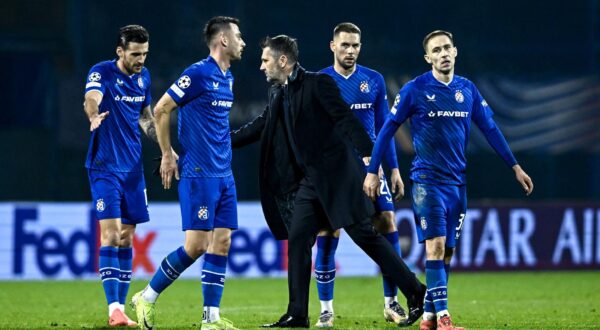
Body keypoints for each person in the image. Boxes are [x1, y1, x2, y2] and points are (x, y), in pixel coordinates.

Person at [231, 35, 426, 328]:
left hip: (339, 177)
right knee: (298, 239)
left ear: (282, 61)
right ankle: (297, 314)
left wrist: (370, 163)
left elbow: (346, 120)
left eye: (265, 60)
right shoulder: (278, 92)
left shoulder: (317, 84)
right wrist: (221, 143)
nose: (261, 66)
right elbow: (261, 125)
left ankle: (416, 292)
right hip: (311, 182)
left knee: (366, 237)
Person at [363, 30, 534, 330]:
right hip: (427, 183)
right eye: (436, 50)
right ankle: (444, 319)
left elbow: (490, 129)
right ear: (428, 57)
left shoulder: (467, 89)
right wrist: (373, 171)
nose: (443, 54)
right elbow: (388, 129)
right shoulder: (415, 89)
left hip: (457, 185)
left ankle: (428, 317)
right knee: (436, 248)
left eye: (447, 48)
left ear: (455, 52)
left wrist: (515, 167)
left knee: (449, 253)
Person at [130, 16, 245, 330]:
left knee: (221, 243)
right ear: (222, 40)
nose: (242, 42)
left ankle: (211, 318)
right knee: (196, 246)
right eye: (238, 36)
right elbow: (161, 109)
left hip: (224, 175)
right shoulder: (197, 73)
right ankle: (147, 297)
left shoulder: (227, 77)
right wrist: (167, 154)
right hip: (198, 173)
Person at [315, 22, 406, 328]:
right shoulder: (320, 82)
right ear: (332, 46)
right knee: (328, 232)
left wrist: (392, 168)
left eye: (355, 45)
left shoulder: (374, 80)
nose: (350, 51)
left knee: (387, 222)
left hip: (371, 169)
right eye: (345, 45)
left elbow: (384, 129)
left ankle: (391, 302)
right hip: (334, 173)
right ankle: (326, 309)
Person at [83, 24, 160, 327]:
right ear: (120, 51)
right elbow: (91, 98)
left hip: (133, 169)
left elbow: (145, 117)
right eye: (135, 53)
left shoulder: (144, 76)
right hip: (104, 167)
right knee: (111, 234)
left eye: (144, 53)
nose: (140, 59)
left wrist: (166, 147)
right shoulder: (102, 72)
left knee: (128, 237)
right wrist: (93, 115)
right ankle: (114, 307)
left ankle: (121, 311)